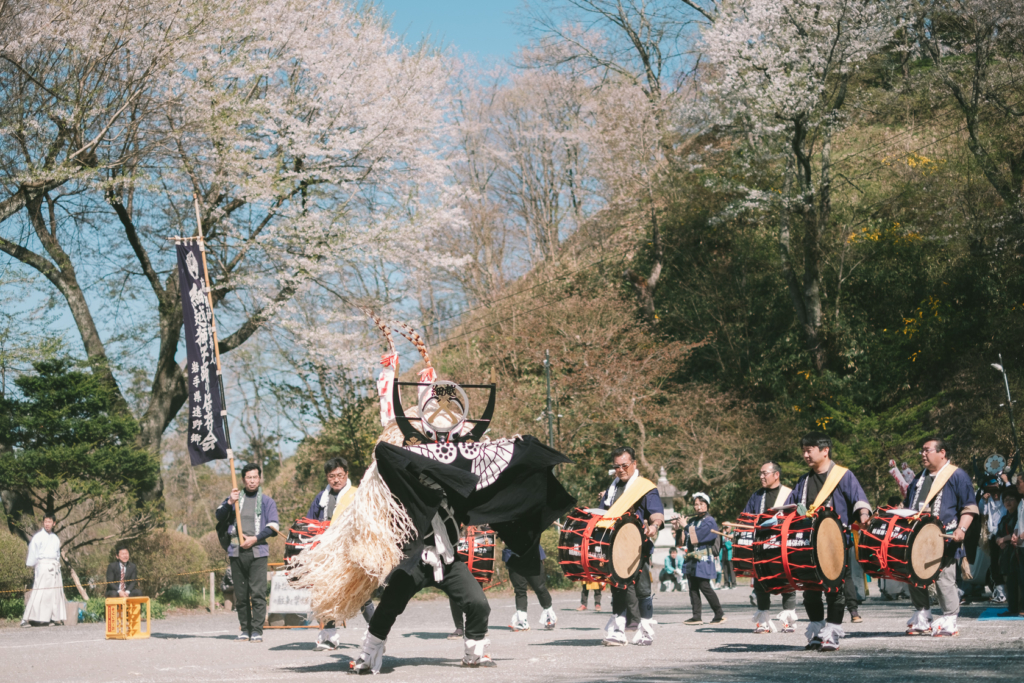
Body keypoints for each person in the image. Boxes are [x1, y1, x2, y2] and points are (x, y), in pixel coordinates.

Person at [784, 432, 872, 652]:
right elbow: (789, 506)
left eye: (809, 449)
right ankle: (817, 632)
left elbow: (859, 499)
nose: (805, 454)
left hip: (835, 542)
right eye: (803, 450)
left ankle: (832, 634)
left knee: (834, 588)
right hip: (806, 543)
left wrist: (863, 515)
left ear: (825, 450)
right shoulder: (803, 480)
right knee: (810, 589)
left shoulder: (843, 475)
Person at [904, 437, 978, 637]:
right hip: (918, 538)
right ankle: (922, 616)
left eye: (927, 450)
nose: (923, 454)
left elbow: (969, 507)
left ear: (942, 452)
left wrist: (961, 529)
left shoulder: (957, 475)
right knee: (914, 576)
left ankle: (949, 620)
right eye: (922, 451)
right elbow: (908, 506)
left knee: (944, 579)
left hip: (945, 537)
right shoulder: (919, 478)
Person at [307, 457, 375, 651]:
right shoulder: (321, 498)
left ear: (346, 474)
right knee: (327, 594)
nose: (336, 480)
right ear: (327, 478)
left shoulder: (357, 495)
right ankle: (329, 637)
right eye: (331, 476)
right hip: (326, 554)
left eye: (339, 475)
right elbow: (310, 523)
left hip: (351, 553)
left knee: (360, 593)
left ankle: (376, 632)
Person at [599, 446, 664, 646]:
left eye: (624, 465)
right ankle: (617, 631)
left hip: (638, 546)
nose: (620, 470)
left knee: (643, 589)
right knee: (617, 587)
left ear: (634, 464)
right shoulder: (611, 489)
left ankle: (645, 631)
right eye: (616, 466)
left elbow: (656, 513)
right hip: (614, 547)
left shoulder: (644, 487)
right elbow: (602, 514)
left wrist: (654, 526)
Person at [215, 463, 279, 643]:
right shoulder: (234, 499)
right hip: (236, 551)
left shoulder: (267, 501)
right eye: (248, 477)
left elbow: (274, 526)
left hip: (258, 551)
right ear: (243, 479)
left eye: (255, 477)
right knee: (241, 594)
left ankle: (257, 630)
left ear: (260, 479)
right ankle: (245, 628)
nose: (252, 481)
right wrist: (229, 502)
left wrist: (255, 538)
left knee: (257, 593)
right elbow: (219, 516)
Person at [743, 460, 798, 633]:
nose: (761, 477)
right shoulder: (757, 495)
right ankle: (764, 621)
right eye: (760, 473)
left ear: (776, 475)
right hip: (761, 544)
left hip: (783, 545)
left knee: (787, 580)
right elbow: (747, 516)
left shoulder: (789, 493)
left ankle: (788, 619)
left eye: (764, 473)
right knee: (761, 580)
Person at [681, 493, 726, 625]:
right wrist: (678, 527)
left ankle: (719, 614)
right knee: (693, 587)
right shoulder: (692, 521)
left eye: (701, 504)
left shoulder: (709, 521)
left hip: (703, 558)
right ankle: (696, 616)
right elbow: (683, 541)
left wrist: (685, 526)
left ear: (707, 505)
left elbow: (697, 537)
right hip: (692, 559)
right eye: (696, 504)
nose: (698, 507)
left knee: (704, 586)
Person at [20, 515, 66, 627]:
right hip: (42, 566)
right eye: (46, 521)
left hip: (54, 566)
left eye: (50, 522)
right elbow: (33, 552)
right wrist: (34, 565)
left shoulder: (56, 538)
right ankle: (27, 619)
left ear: (54, 523)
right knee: (38, 592)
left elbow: (57, 554)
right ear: (43, 522)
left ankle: (52, 618)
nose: (47, 524)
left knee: (53, 594)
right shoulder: (38, 537)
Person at [505, 545, 557, 631]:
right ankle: (522, 621)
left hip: (532, 554)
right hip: (512, 555)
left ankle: (550, 614)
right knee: (519, 590)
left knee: (539, 587)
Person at [995, 491, 1021, 616]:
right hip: (1007, 553)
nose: (1008, 502)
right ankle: (1012, 607)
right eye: (1006, 500)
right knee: (1010, 581)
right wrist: (999, 541)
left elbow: (1018, 532)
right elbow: (997, 534)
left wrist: (1003, 539)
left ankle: (1017, 608)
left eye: (1011, 499)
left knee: (1018, 580)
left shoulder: (1018, 515)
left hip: (1017, 550)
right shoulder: (1005, 517)